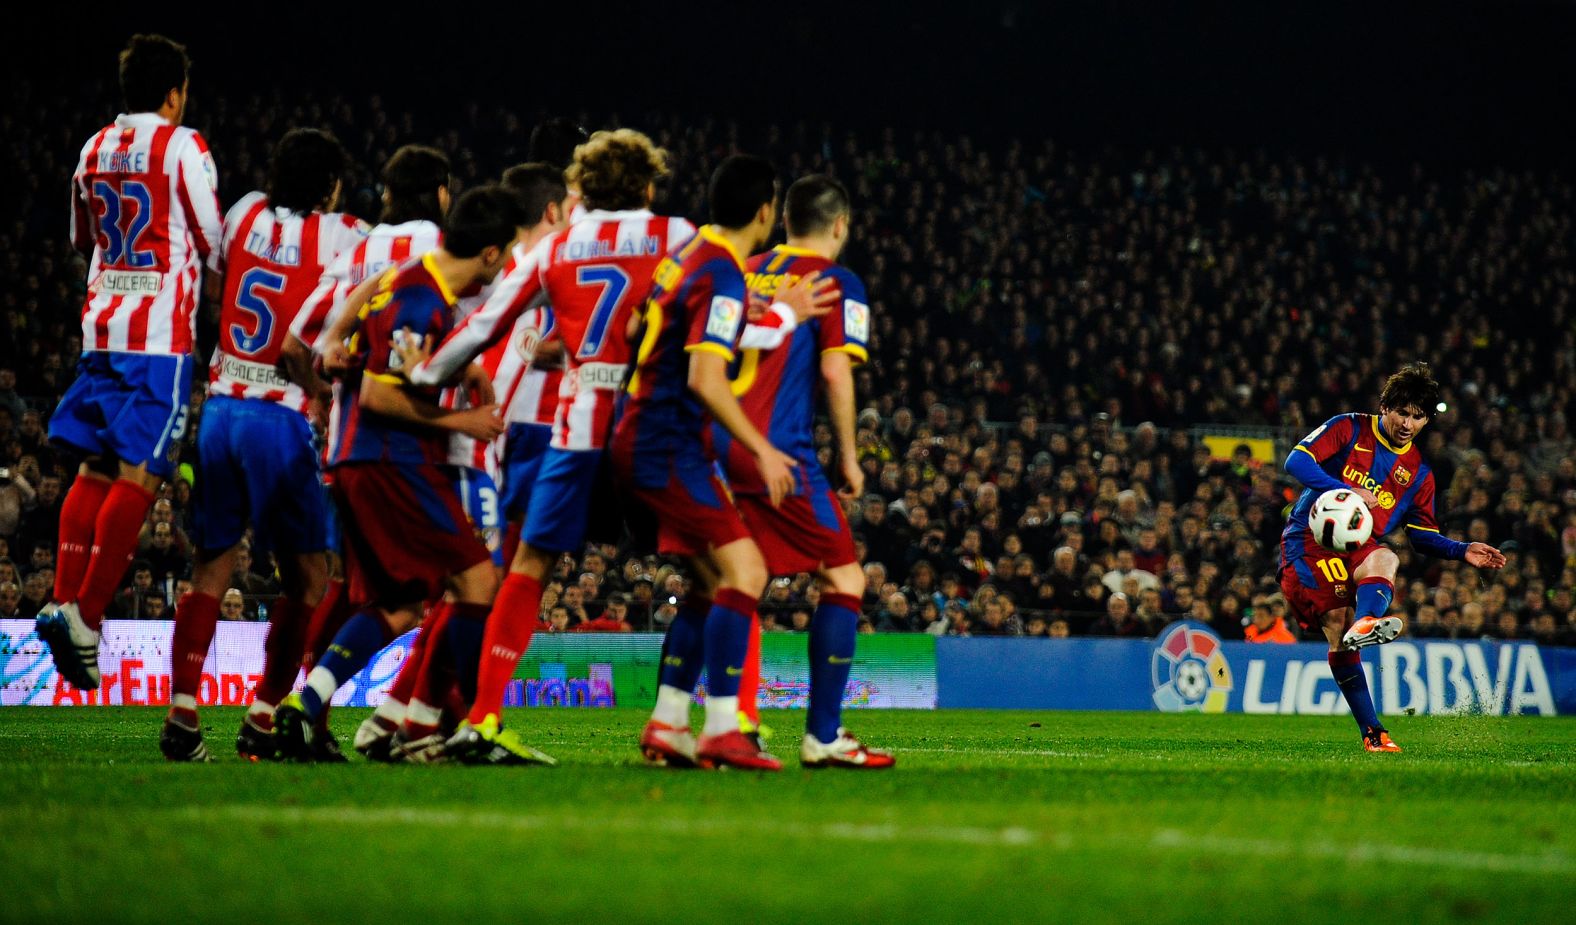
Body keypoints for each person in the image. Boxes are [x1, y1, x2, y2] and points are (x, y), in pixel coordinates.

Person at [396, 130, 693, 763]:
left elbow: (484, 324)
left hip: (576, 424)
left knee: (529, 566)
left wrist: (423, 374)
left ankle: (482, 717)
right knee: (714, 572)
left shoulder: (558, 245)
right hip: (647, 427)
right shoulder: (677, 236)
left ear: (582, 189)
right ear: (647, 185)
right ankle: (682, 717)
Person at [271, 185, 522, 762]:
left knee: (400, 604)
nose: (508, 266)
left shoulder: (405, 275)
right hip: (393, 462)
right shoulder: (422, 302)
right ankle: (433, 723)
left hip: (359, 461)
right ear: (488, 253)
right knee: (478, 583)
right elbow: (383, 398)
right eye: (506, 254)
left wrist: (334, 339)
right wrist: (466, 418)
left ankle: (304, 705)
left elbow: (357, 298)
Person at [612, 155, 830, 771]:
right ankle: (724, 727)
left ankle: (668, 723)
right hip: (669, 445)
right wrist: (762, 448)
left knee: (709, 585)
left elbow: (646, 329)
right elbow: (707, 377)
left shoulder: (686, 257)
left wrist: (777, 313)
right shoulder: (723, 271)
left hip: (638, 437)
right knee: (747, 571)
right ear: (766, 212)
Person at [158, 128, 367, 762]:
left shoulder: (244, 209)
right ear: (330, 184)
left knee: (209, 569)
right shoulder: (346, 234)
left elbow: (218, 294)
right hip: (280, 420)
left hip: (220, 409)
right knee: (309, 578)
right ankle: (264, 713)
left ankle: (184, 713)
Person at [358, 161, 572, 759]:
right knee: (485, 583)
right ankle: (425, 719)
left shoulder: (498, 268)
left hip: (484, 442)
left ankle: (399, 714)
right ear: (555, 210)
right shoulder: (531, 264)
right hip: (483, 443)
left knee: (472, 585)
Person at [38, 35, 223, 690]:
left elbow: (79, 238)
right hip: (158, 340)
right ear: (174, 94)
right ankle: (86, 616)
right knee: (140, 477)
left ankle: (63, 599)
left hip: (101, 329)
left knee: (91, 466)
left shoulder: (93, 149)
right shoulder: (183, 146)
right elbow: (211, 242)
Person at [714, 175, 893, 768]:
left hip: (717, 440)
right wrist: (848, 455)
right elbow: (837, 373)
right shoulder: (837, 282)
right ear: (840, 224)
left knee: (739, 577)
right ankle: (823, 734)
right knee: (845, 580)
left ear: (783, 219)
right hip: (778, 451)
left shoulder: (744, 269)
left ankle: (718, 720)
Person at [1279, 363, 1505, 752]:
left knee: (1386, 558)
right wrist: (1346, 491)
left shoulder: (1418, 473)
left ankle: (1369, 625)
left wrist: (1462, 549)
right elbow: (1296, 462)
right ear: (1385, 406)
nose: (1408, 423)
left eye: (1418, 417)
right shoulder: (1348, 427)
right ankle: (1372, 728)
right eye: (1402, 412)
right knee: (1337, 623)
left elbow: (1421, 536)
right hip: (1309, 540)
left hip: (1358, 545)